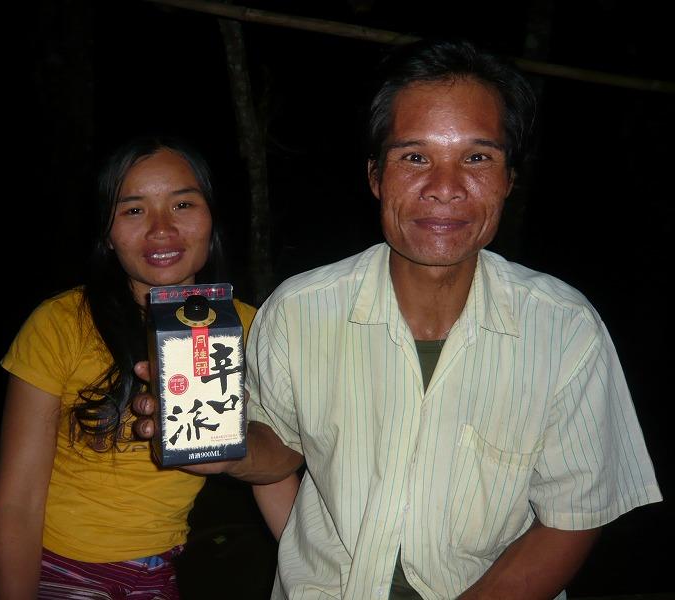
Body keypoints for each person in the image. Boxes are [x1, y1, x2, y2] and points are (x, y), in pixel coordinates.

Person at [133, 39, 662, 599]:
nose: (445, 188)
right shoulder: (298, 310)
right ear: (375, 176)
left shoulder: (564, 329)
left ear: (509, 178)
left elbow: (571, 517)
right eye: (414, 157)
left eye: (477, 158)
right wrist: (222, 446)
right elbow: (281, 447)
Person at [0, 136, 292, 599]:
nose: (161, 229)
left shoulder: (250, 328)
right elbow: (18, 502)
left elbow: (277, 468)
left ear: (211, 217)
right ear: (107, 232)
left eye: (183, 204)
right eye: (134, 210)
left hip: (148, 570)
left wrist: (324, 579)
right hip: (32, 554)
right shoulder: (62, 323)